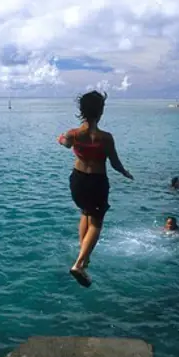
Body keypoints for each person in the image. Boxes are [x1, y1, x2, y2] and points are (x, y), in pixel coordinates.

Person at [57, 90, 133, 287]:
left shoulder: (73, 134)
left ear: (82, 111)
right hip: (97, 182)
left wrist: (61, 139)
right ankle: (79, 264)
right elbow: (115, 163)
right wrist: (125, 172)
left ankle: (84, 255)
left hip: (78, 180)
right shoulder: (106, 138)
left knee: (85, 213)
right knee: (96, 223)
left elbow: (64, 143)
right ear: (101, 112)